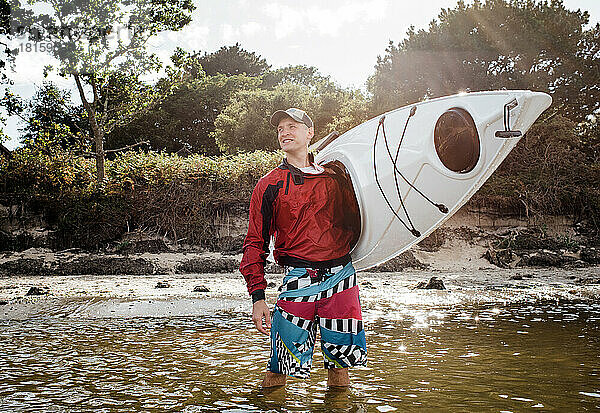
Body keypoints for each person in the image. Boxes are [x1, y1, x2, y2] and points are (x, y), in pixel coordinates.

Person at [239, 107, 366, 388]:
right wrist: (257, 297)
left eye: (293, 126)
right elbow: (254, 242)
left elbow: (362, 216)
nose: (285, 132)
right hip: (298, 278)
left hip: (342, 277)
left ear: (310, 133)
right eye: (280, 128)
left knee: (340, 365)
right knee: (279, 366)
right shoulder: (269, 184)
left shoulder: (337, 177)